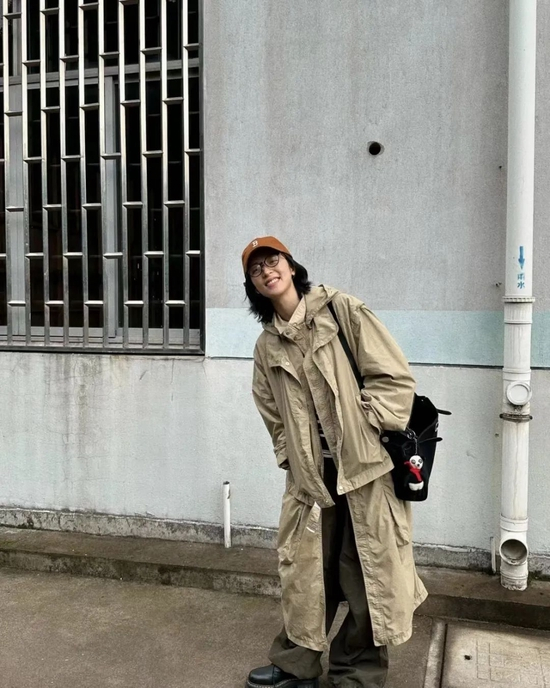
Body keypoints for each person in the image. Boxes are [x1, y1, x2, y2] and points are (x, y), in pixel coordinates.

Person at [242, 236, 427, 688]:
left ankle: (357, 674)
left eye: (273, 261)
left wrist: (368, 427)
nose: (267, 271)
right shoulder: (267, 346)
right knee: (306, 575)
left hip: (365, 471)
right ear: (253, 286)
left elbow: (394, 376)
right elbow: (270, 410)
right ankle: (297, 666)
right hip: (312, 479)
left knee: (366, 573)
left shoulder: (341, 310)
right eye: (256, 269)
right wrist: (289, 457)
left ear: (291, 265)